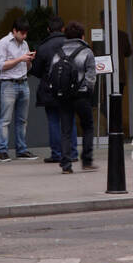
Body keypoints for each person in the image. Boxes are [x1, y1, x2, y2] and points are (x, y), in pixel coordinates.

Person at [29, 15, 78, 164]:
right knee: (70, 121)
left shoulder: (43, 48)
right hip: (69, 89)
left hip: (49, 90)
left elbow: (36, 71)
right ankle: (73, 153)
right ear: (63, 29)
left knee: (54, 122)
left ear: (48, 29)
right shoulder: (72, 44)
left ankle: (57, 154)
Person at [51, 22, 97, 175]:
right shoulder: (87, 52)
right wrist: (88, 92)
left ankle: (66, 165)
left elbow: (52, 73)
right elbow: (91, 77)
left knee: (65, 130)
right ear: (82, 36)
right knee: (88, 126)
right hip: (82, 96)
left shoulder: (58, 52)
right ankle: (87, 161)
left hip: (63, 96)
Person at [0, 18, 37, 161]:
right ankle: (3, 150)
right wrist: (20, 59)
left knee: (22, 120)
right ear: (14, 31)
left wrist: (29, 60)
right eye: (22, 33)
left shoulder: (24, 44)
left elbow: (27, 67)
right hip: (9, 83)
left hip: (23, 82)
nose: (24, 36)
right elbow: (1, 65)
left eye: (26, 33)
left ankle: (21, 149)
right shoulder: (3, 43)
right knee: (5, 119)